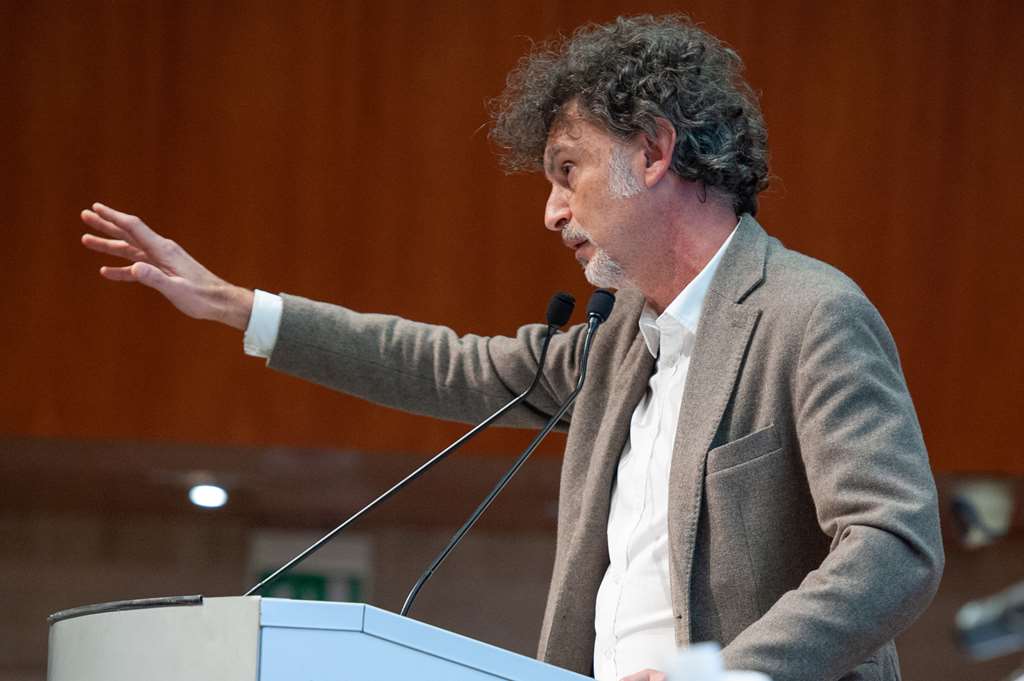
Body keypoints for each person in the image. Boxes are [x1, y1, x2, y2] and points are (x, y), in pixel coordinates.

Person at [80, 15, 943, 681]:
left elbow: (894, 544)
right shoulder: (615, 344)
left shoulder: (808, 313)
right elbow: (443, 365)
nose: (552, 211)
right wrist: (240, 308)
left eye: (567, 170)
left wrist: (719, 676)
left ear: (652, 152)